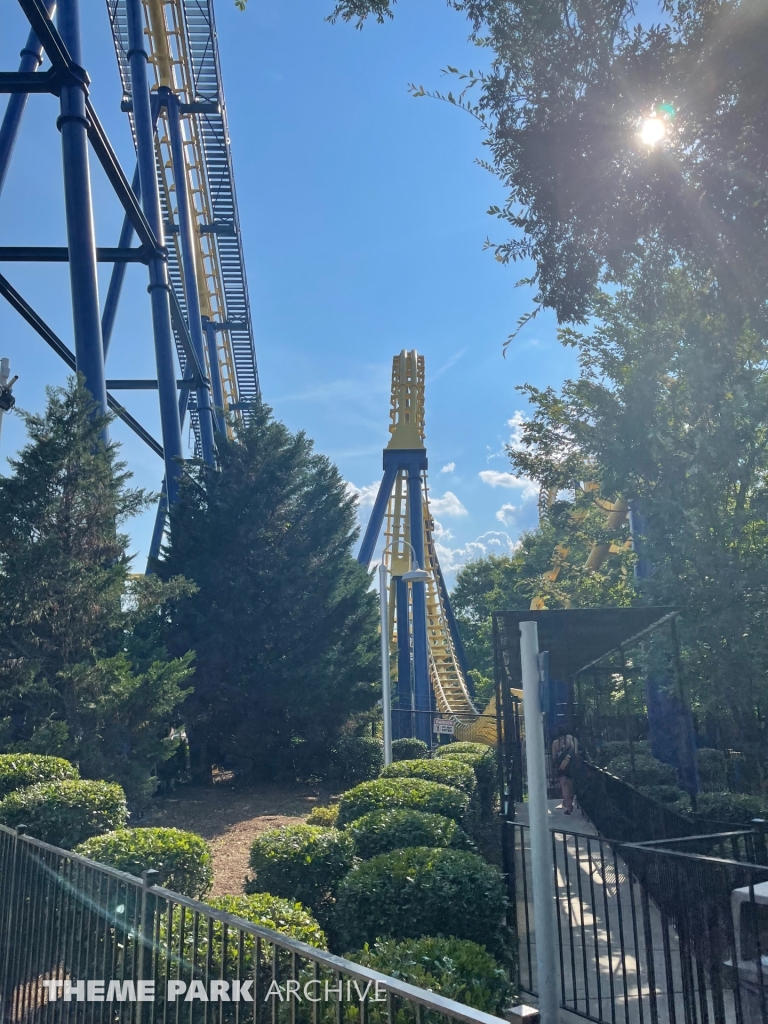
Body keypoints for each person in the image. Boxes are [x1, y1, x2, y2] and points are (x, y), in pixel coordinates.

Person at [552, 727, 578, 815]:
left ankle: (568, 807)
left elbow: (554, 757)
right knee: (570, 788)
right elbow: (575, 753)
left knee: (564, 788)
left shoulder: (555, 743)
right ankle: (570, 804)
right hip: (570, 767)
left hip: (561, 768)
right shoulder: (571, 741)